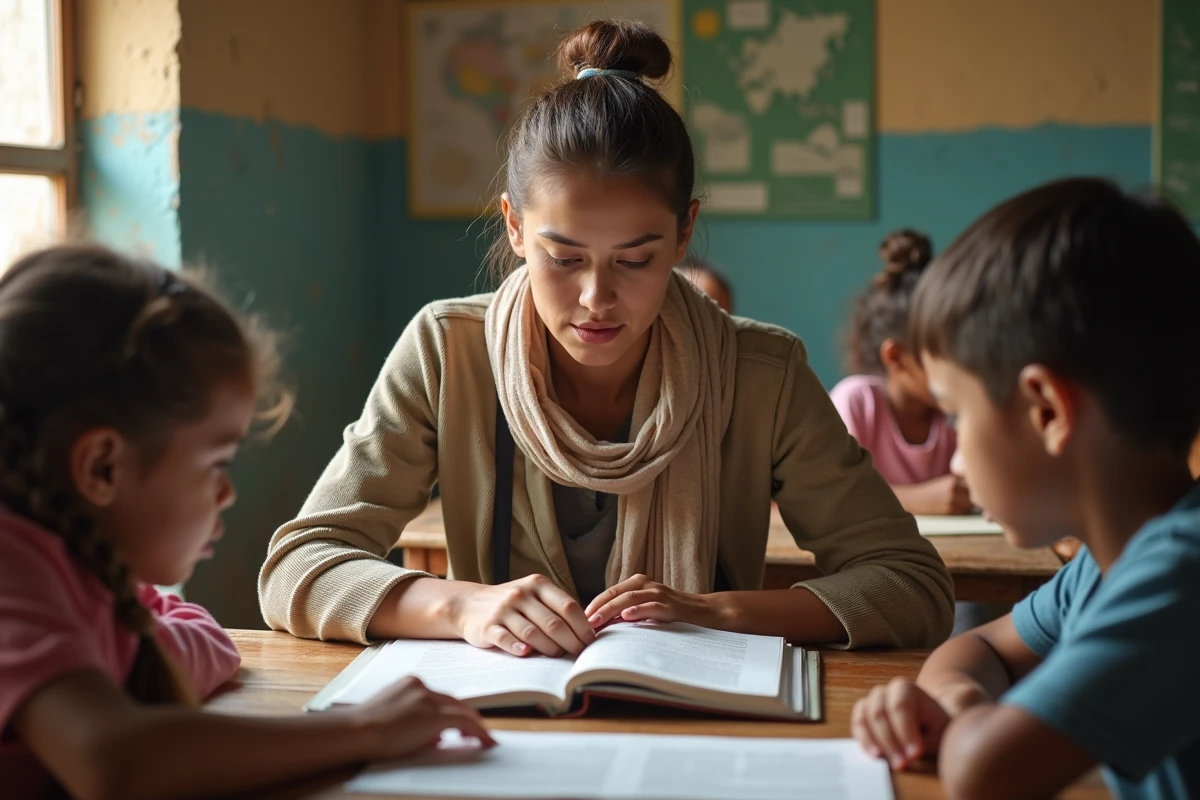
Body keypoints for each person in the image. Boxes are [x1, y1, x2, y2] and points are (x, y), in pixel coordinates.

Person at [259, 19, 953, 656]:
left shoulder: (758, 372)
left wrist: (721, 613)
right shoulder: (447, 352)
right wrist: (462, 607)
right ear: (514, 227)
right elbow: (298, 566)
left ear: (685, 232)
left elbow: (911, 584)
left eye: (634, 260)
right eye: (563, 259)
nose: (596, 299)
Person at [0, 245, 493, 800]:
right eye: (216, 465)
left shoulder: (80, 572)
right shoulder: (13, 569)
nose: (229, 494)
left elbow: (201, 645)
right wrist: (366, 729)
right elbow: (114, 763)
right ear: (102, 466)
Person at [849, 178, 1200, 799]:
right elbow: (981, 646)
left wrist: (966, 725)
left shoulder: (1180, 571)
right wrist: (959, 701)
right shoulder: (1104, 561)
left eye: (957, 414)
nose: (956, 450)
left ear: (1047, 412)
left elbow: (985, 774)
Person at [832, 230, 968, 516]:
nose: (960, 364)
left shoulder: (953, 412)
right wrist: (916, 500)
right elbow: (825, 495)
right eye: (943, 352)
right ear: (897, 357)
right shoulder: (857, 401)